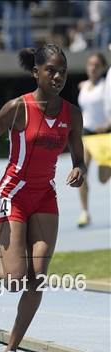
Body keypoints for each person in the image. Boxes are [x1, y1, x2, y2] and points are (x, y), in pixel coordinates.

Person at [0, 44, 86, 352]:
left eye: (63, 71)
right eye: (51, 70)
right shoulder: (17, 108)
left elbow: (78, 156)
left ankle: (10, 351)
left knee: (38, 279)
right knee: (14, 280)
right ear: (36, 72)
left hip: (45, 197)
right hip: (14, 193)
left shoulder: (71, 114)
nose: (58, 77)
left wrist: (78, 169)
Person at [77, 53, 110, 227]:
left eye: (97, 65)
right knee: (80, 172)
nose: (92, 67)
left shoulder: (107, 87)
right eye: (90, 64)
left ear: (103, 68)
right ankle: (84, 212)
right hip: (87, 134)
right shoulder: (83, 86)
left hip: (104, 135)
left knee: (103, 179)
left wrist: (108, 123)